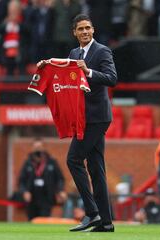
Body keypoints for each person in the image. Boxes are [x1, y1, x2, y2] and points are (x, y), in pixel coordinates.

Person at [37, 13, 117, 232]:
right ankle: (106, 223)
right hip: (83, 117)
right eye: (80, 29)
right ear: (74, 32)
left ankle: (91, 213)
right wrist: (48, 65)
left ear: (93, 30)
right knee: (96, 169)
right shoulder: (74, 53)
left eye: (88, 28)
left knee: (73, 159)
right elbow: (65, 71)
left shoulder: (102, 51)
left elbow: (112, 78)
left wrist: (88, 71)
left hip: (98, 117)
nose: (85, 32)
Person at [18, 140, 67, 221]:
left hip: (46, 197)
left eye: (39, 147)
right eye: (36, 147)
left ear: (44, 148)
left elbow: (60, 178)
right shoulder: (28, 163)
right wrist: (24, 192)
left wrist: (60, 190)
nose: (38, 150)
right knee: (32, 220)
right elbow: (21, 181)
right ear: (32, 149)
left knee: (44, 219)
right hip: (32, 197)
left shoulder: (51, 162)